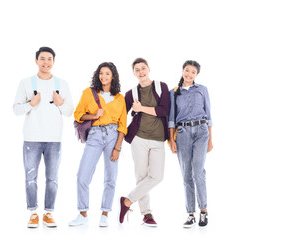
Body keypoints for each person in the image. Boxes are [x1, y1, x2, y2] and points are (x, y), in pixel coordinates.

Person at [13, 47, 74, 228]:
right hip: (32, 138)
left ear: (54, 61)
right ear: (36, 61)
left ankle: (49, 213)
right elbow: (16, 109)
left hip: (54, 139)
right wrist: (31, 104)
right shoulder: (26, 83)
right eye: (42, 59)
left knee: (52, 177)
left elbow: (70, 111)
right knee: (30, 177)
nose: (46, 62)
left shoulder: (62, 84)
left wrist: (60, 102)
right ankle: (33, 213)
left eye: (49, 59)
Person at [69, 62, 127, 227]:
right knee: (82, 175)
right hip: (95, 135)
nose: (103, 76)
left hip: (113, 135)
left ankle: (105, 213)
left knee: (111, 177)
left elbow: (123, 125)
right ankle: (83, 213)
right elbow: (78, 114)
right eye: (101, 73)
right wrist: (94, 115)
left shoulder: (119, 98)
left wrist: (117, 147)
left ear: (113, 76)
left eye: (107, 73)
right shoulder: (89, 93)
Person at [119, 58, 170, 227]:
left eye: (143, 68)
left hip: (157, 139)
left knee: (156, 176)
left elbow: (164, 110)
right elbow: (121, 115)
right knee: (141, 177)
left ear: (149, 69)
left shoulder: (161, 87)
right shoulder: (130, 93)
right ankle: (146, 214)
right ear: (133, 73)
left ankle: (127, 201)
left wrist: (141, 109)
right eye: (137, 70)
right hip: (139, 139)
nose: (141, 72)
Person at [168, 60, 213, 228]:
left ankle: (204, 211)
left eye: (193, 72)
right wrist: (171, 141)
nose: (189, 74)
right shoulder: (174, 93)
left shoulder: (202, 90)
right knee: (186, 174)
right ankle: (190, 214)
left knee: (198, 171)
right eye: (187, 70)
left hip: (201, 132)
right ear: (182, 71)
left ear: (196, 75)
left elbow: (209, 115)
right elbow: (171, 118)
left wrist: (210, 138)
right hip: (183, 134)